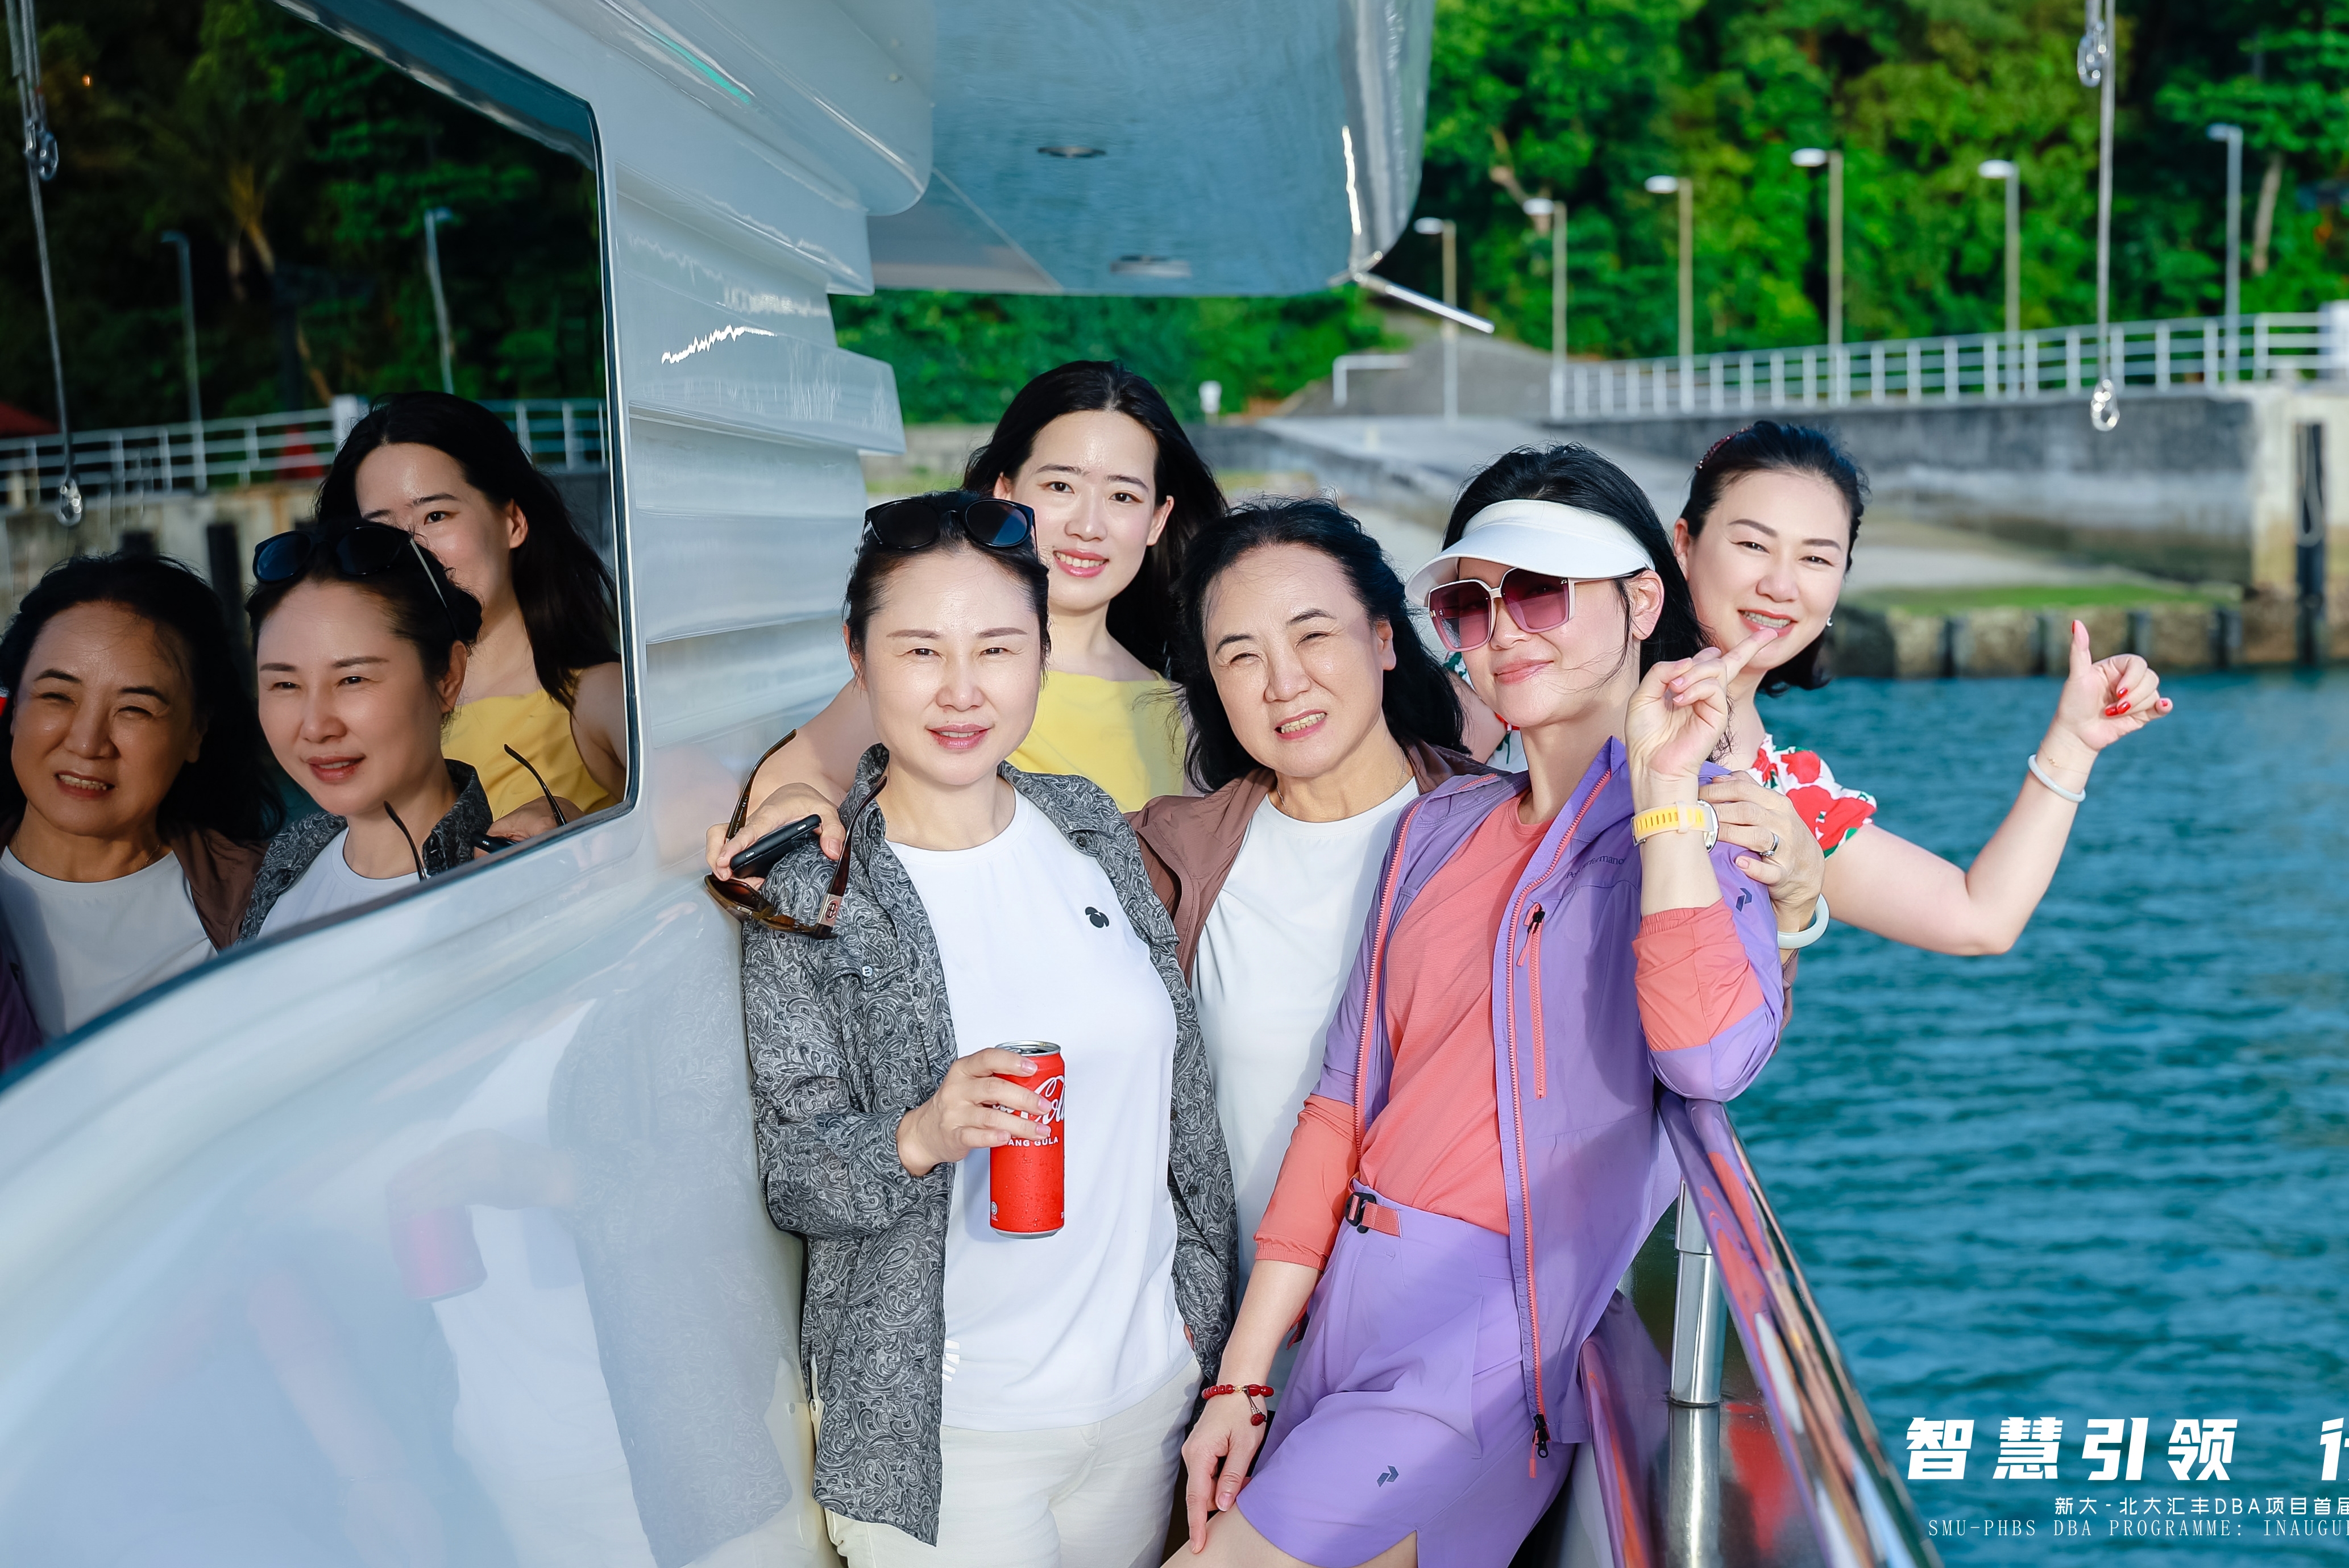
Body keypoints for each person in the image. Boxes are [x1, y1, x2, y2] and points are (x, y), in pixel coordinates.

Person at [1174, 446, 1785, 1568]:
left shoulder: (1698, 835)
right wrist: (1246, 1374)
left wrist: (1662, 796)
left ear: (1644, 600)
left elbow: (1707, 1056)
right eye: (1472, 601)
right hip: (1346, 1318)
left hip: (1483, 1342)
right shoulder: (1439, 826)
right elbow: (1339, 1105)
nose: (1506, 631)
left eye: (1542, 593)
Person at [733, 490, 1231, 1566]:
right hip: (951, 1440)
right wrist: (921, 1133)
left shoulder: (1089, 823)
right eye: (920, 650)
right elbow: (793, 1168)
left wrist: (1193, 1319)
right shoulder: (816, 887)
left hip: (1143, 1396)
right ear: (857, 660)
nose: (962, 690)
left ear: (1042, 658)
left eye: (998, 648)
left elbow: (1180, 1090)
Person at [1133, 500, 1491, 1298]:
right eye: (1242, 657)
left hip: (1443, 1353)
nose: (1285, 682)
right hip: (1245, 1365)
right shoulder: (1164, 858)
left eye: (1313, 634)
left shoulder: (1505, 835)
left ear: (1384, 639)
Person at [1669, 421, 2172, 961]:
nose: (1782, 585)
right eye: (1752, 544)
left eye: (1816, 558)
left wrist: (2073, 743)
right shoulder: (1605, 689)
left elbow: (1980, 919)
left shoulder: (1786, 801)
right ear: (1684, 545)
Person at [709, 360, 1226, 875]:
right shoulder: (933, 668)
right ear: (1005, 493)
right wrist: (803, 799)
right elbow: (790, 779)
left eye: (1122, 496)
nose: (1088, 526)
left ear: (1157, 518)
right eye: (1061, 487)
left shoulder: (1183, 711)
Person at [0, 552, 279, 1058]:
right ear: (13, 707)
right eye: (57, 697)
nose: (88, 743)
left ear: (197, 731)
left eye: (135, 709)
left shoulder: (277, 899)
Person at [324, 393, 624, 838]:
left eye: (436, 515)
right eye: (383, 531)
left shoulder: (599, 698)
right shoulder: (367, 725)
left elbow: (708, 822)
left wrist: (581, 836)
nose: (415, 549)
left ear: (513, 522)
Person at [240, 522, 496, 939]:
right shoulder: (286, 862)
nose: (316, 727)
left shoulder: (514, 880)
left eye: (353, 680)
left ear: (448, 676)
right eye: (285, 685)